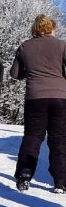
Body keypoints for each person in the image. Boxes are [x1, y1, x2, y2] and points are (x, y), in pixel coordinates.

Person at [10, 14, 66, 193]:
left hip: (35, 97)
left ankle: (24, 175)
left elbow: (15, 73)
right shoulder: (62, 45)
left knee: (33, 137)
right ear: (51, 28)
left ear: (35, 29)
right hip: (60, 97)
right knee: (59, 139)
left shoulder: (25, 46)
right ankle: (61, 181)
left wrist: (32, 72)